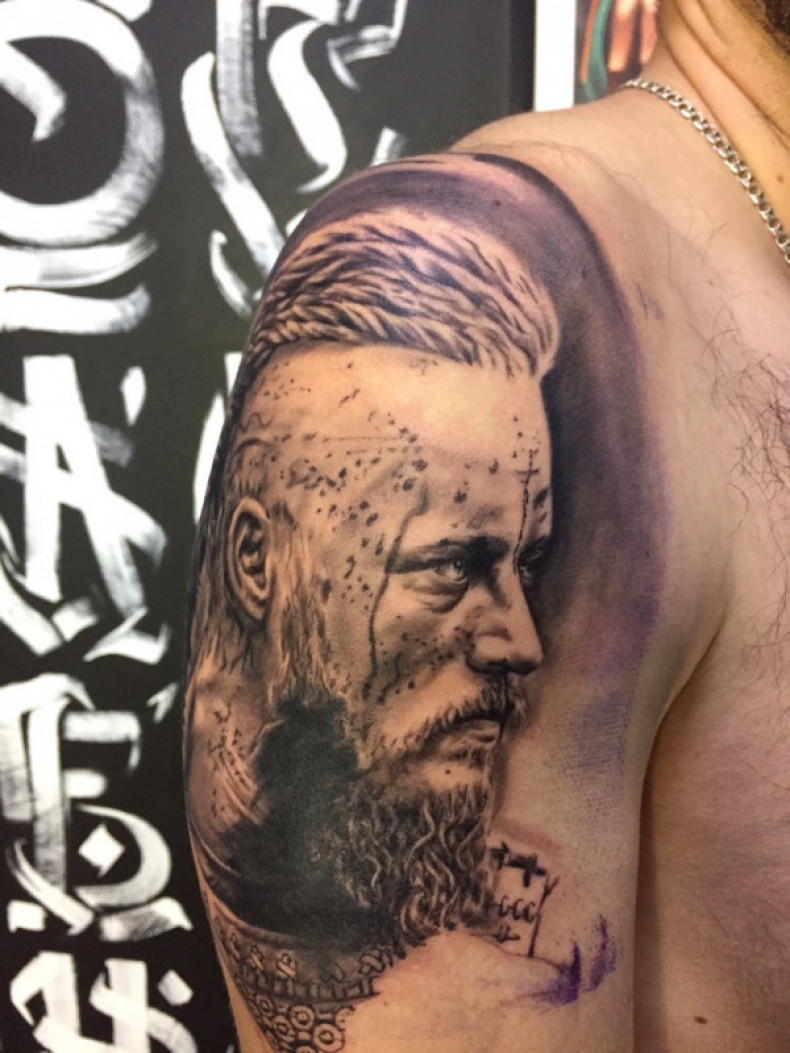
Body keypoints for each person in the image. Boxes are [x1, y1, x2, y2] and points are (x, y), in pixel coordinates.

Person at [185, 1, 790, 1049]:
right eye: (450, 566)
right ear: (258, 560)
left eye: (527, 561)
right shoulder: (457, 270)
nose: (518, 637)